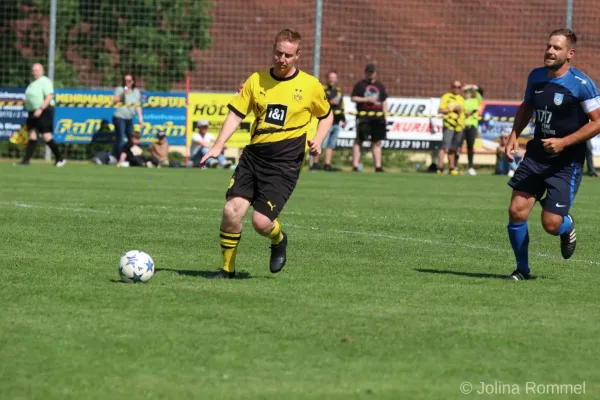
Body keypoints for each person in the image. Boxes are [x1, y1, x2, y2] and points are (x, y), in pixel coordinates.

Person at [200, 29, 333, 279]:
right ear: (273, 50)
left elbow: (326, 116)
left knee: (261, 223)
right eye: (278, 53)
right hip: (253, 158)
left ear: (297, 56)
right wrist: (217, 146)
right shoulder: (256, 80)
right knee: (232, 211)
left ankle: (279, 239)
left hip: (284, 164)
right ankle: (227, 270)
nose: (282, 59)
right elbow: (236, 114)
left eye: (288, 55)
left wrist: (318, 140)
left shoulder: (310, 86)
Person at [505, 29, 600, 280]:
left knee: (551, 224)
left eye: (557, 48)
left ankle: (566, 225)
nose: (550, 51)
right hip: (536, 156)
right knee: (516, 211)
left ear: (570, 54)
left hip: (566, 162)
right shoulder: (536, 76)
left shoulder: (581, 85)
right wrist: (514, 134)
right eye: (548, 46)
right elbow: (527, 106)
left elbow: (597, 122)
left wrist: (563, 142)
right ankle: (522, 269)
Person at [16, 63, 65, 166]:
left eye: (37, 70)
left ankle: (59, 159)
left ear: (42, 71)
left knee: (46, 136)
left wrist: (41, 108)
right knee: (32, 135)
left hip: (44, 111)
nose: (35, 72)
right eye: (33, 70)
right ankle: (26, 161)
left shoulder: (45, 81)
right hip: (33, 111)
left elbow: (49, 96)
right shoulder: (32, 83)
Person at [351, 64, 388, 172]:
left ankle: (378, 166)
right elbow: (353, 98)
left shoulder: (380, 86)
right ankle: (355, 165)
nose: (370, 74)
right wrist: (366, 99)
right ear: (365, 73)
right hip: (364, 117)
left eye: (372, 72)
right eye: (368, 72)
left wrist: (385, 114)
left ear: (375, 73)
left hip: (377, 117)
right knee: (359, 140)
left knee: (377, 141)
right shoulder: (360, 85)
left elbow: (384, 100)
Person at [311, 70, 345, 171]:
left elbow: (342, 106)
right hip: (325, 121)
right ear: (327, 78)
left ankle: (327, 164)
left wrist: (343, 119)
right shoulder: (323, 89)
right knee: (321, 143)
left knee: (331, 145)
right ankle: (315, 164)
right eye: (330, 77)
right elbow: (319, 104)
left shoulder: (338, 91)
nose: (332, 79)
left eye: (334, 77)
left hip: (336, 122)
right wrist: (330, 102)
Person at [112, 73, 144, 158]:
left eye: (129, 80)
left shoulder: (136, 91)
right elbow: (115, 100)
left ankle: (130, 157)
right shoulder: (119, 89)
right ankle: (117, 157)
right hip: (119, 117)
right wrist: (123, 94)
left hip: (129, 118)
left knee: (132, 138)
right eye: (125, 80)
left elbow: (138, 105)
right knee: (120, 137)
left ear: (133, 82)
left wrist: (140, 118)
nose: (127, 82)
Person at [437, 81, 464, 175]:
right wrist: (452, 109)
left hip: (459, 127)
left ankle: (451, 168)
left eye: (459, 87)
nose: (456, 88)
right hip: (449, 125)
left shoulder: (461, 98)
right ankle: (439, 167)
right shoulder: (446, 97)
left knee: (453, 149)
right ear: (451, 87)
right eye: (455, 87)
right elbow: (440, 110)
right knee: (444, 147)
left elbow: (462, 112)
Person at [460, 84, 483, 175]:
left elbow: (479, 95)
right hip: (462, 126)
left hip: (472, 126)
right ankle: (454, 166)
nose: (467, 94)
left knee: (470, 147)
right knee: (458, 146)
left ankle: (470, 167)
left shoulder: (475, 100)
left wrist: (474, 88)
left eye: (469, 92)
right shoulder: (462, 101)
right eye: (466, 92)